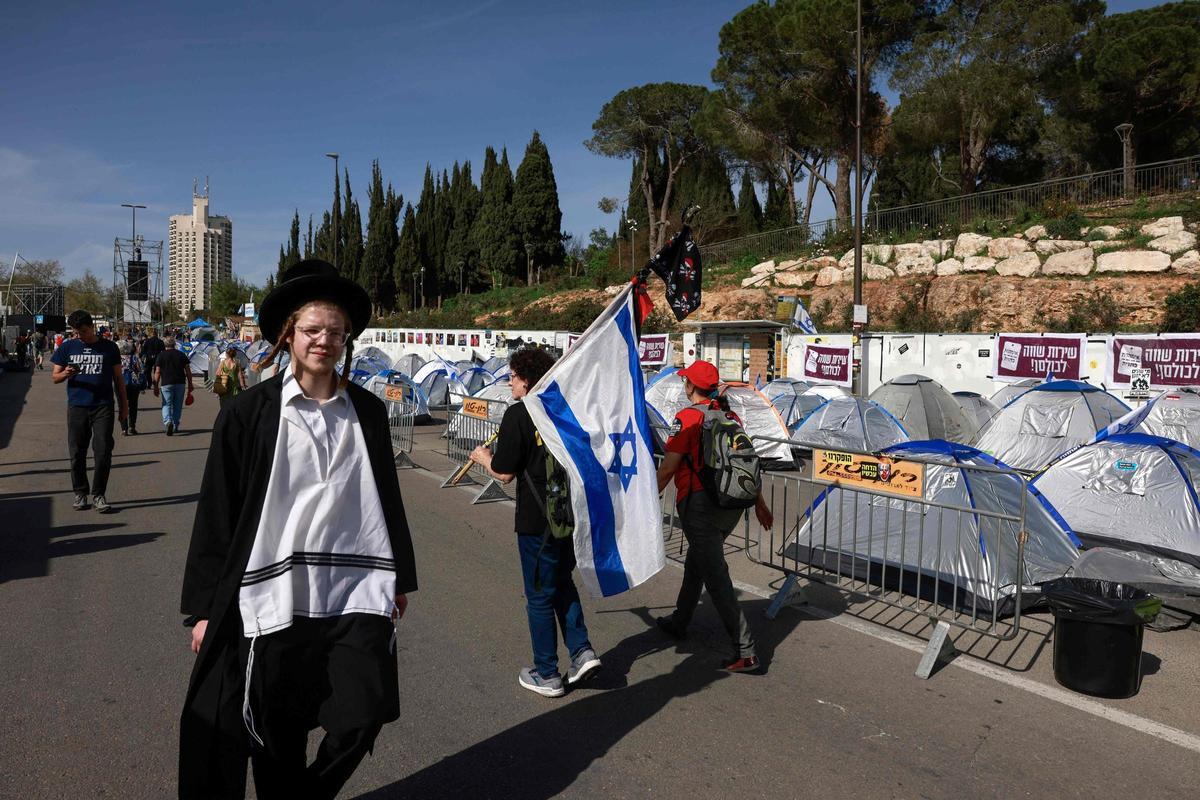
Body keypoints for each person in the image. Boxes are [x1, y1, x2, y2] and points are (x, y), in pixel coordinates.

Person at [179, 259, 417, 800]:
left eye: (335, 332)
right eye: (312, 330)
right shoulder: (247, 414)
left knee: (363, 715)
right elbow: (219, 512)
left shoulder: (369, 413)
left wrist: (398, 577)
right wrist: (203, 611)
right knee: (276, 733)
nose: (324, 341)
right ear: (289, 335)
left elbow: (387, 499)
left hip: (353, 592)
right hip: (274, 594)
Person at [469, 348, 600, 698]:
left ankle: (547, 672)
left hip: (536, 520)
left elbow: (505, 471)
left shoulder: (519, 414)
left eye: (513, 376)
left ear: (526, 379)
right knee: (562, 583)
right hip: (569, 515)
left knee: (539, 595)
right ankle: (581, 651)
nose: (509, 381)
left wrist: (483, 457)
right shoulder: (562, 410)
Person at [654, 360, 773, 674]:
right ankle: (680, 621)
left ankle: (745, 650)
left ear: (690, 386)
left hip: (699, 505)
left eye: (685, 382)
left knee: (716, 577)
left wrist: (647, 500)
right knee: (698, 563)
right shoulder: (730, 417)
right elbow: (744, 465)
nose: (684, 385)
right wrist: (759, 503)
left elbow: (668, 468)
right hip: (731, 506)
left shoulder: (688, 418)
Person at [50, 310, 128, 513]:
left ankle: (99, 494)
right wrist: (66, 373)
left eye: (83, 331)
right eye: (76, 332)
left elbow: (118, 379)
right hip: (77, 406)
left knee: (102, 451)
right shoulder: (68, 347)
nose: (80, 336)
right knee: (77, 452)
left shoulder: (109, 347)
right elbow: (54, 377)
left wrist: (124, 406)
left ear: (92, 327)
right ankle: (80, 493)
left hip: (103, 406)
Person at [153, 336, 193, 435]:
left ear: (165, 345)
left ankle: (168, 422)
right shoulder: (181, 354)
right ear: (174, 344)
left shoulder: (161, 356)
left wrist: (155, 386)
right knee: (177, 405)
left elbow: (157, 372)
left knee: (166, 404)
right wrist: (190, 384)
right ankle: (175, 425)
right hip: (180, 383)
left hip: (166, 383)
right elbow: (188, 371)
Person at [118, 340, 144, 435]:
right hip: (133, 384)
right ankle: (132, 427)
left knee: (122, 405)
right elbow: (141, 370)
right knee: (133, 406)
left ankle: (124, 429)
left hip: (120, 384)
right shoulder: (135, 358)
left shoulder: (117, 359)